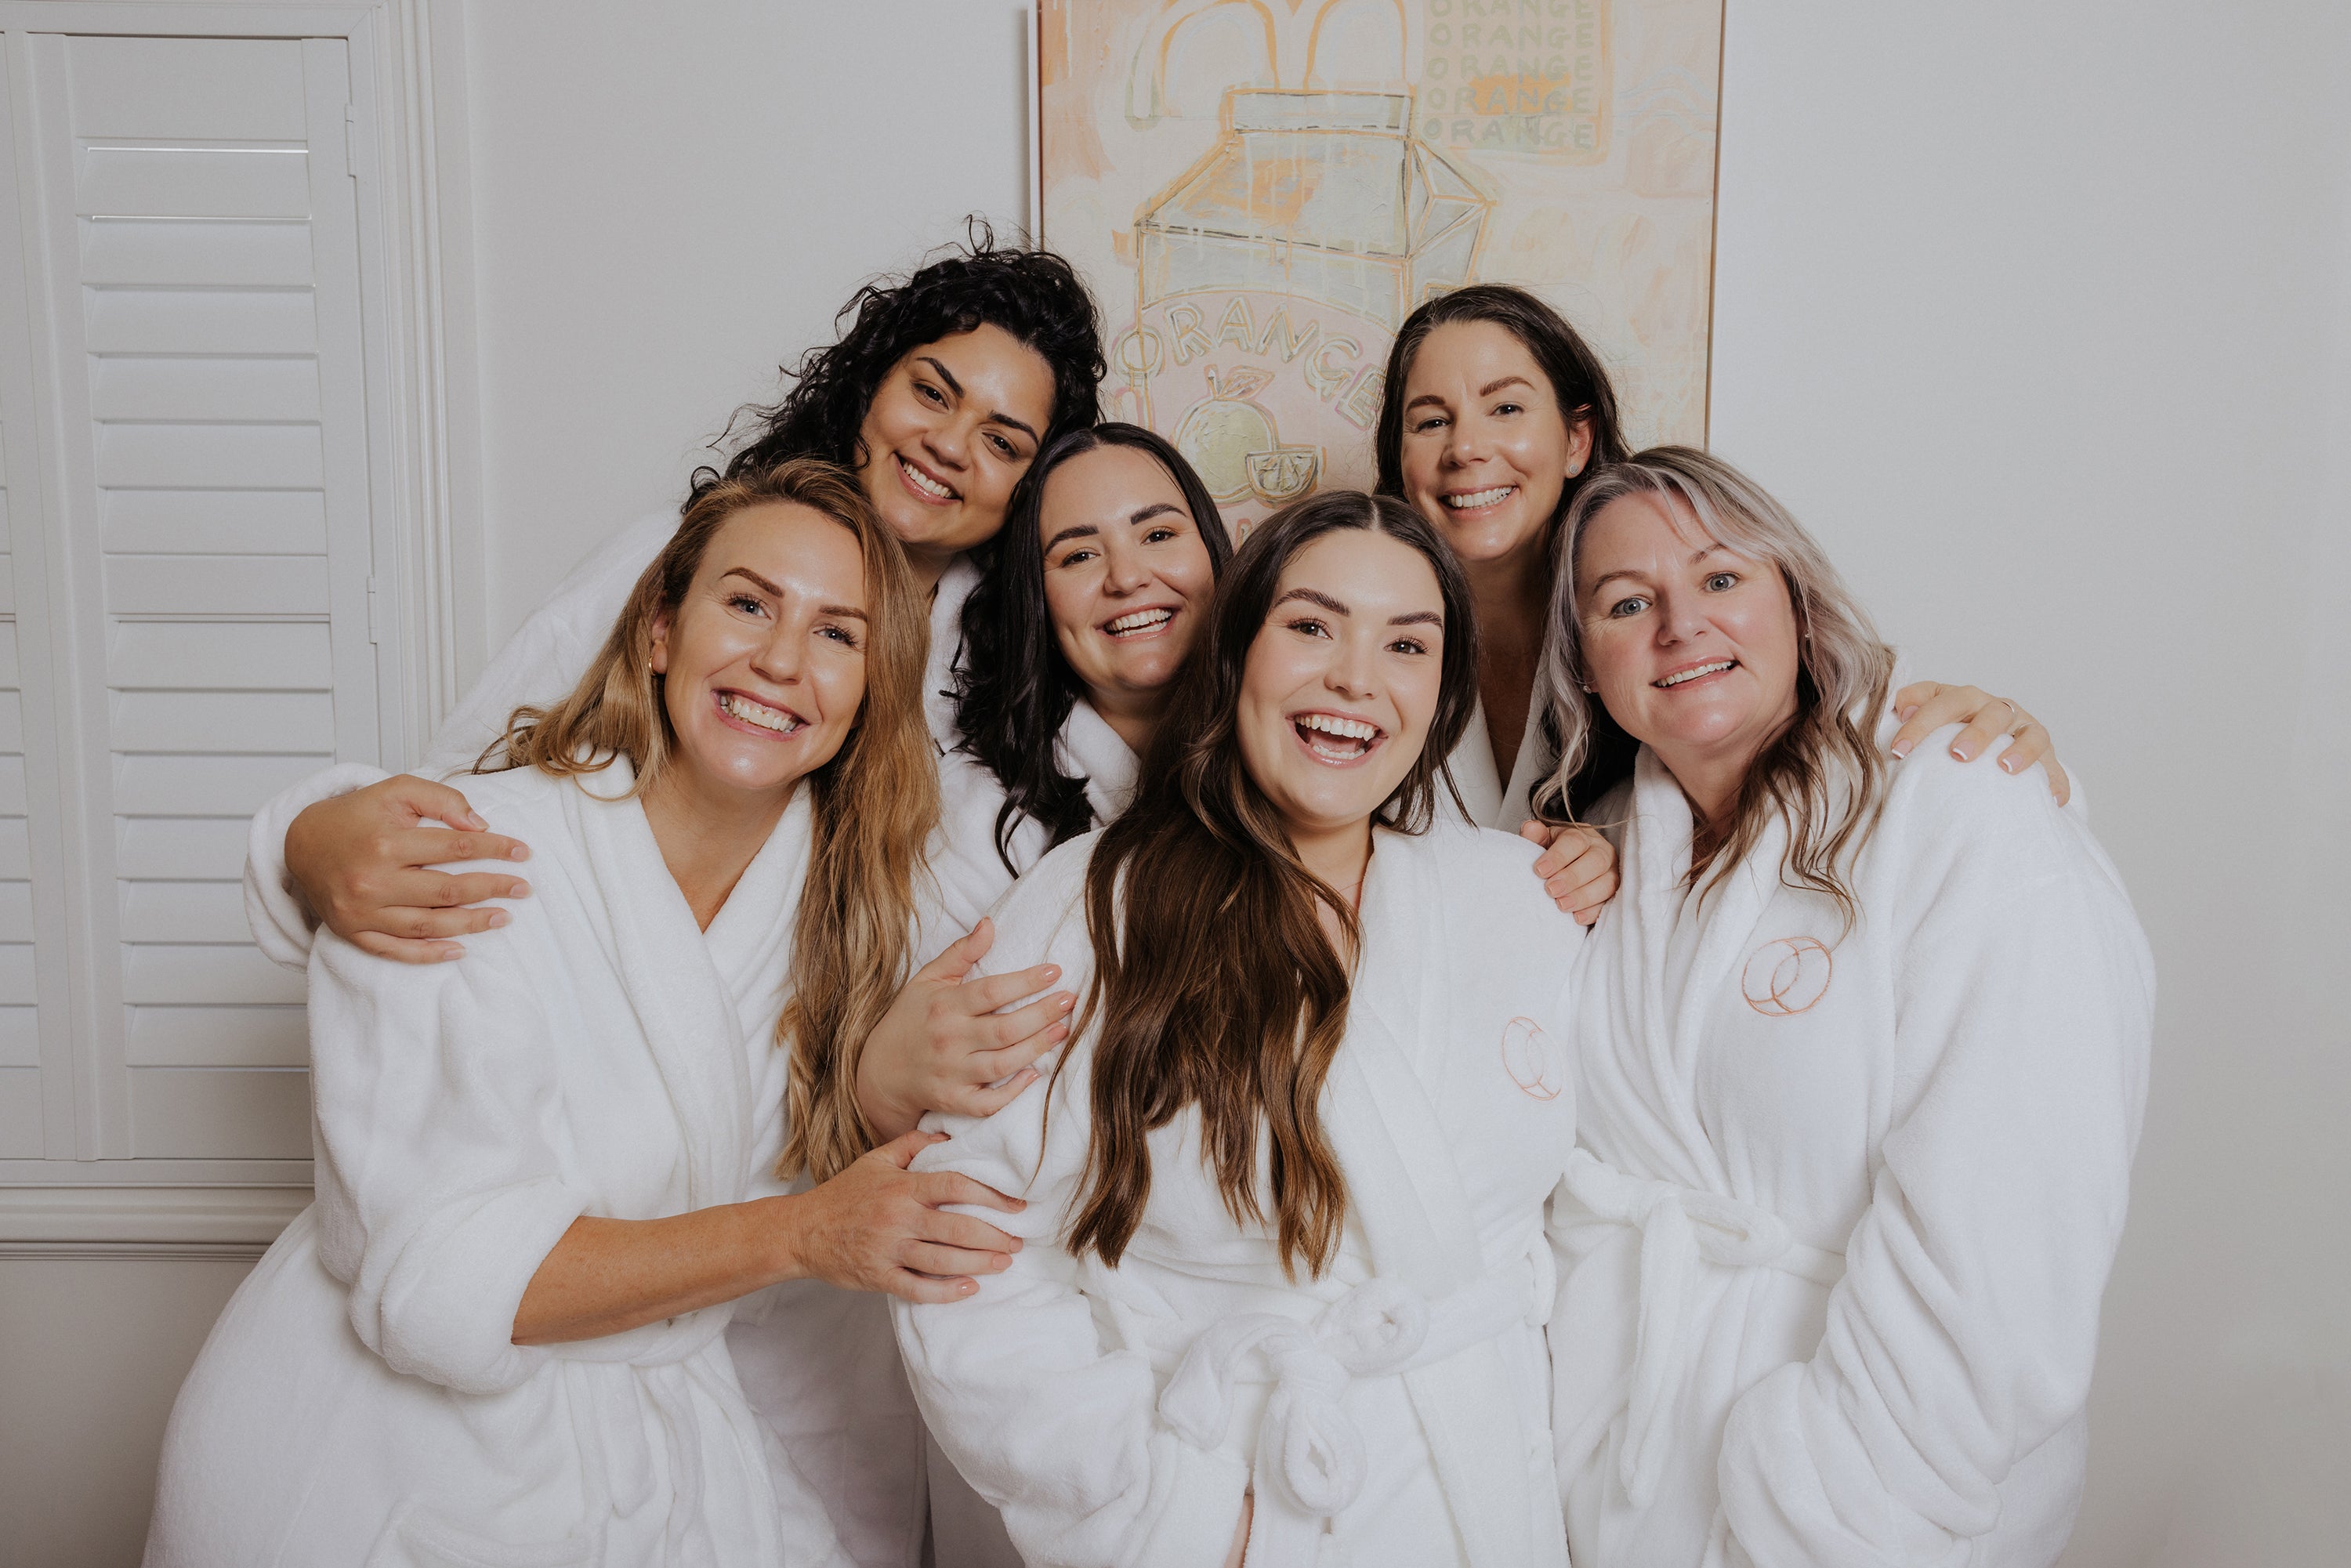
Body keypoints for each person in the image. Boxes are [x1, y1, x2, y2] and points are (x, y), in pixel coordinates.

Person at [145, 461, 1030, 1567]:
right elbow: (446, 1281)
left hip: (651, 1452)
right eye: (748, 602)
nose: (781, 659)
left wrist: (867, 1098)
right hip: (370, 1460)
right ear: (659, 630)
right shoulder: (455, 864)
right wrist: (806, 1235)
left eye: (838, 634)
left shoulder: (844, 925)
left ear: (869, 694)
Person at [894, 491, 1584, 1567]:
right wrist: (1161, 1508)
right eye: (1312, 625)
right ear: (1238, 652)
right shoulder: (1092, 906)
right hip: (1227, 1506)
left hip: (1487, 1502)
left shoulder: (1524, 898)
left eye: (1408, 644)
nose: (1357, 677)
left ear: (1442, 693)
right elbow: (963, 1245)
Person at [1535, 448, 2151, 1567]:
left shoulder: (1967, 810)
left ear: (1800, 608)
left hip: (1864, 1506)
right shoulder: (1605, 863)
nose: (1680, 624)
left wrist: (1829, 1514)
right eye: (1627, 603)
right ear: (1586, 667)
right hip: (1615, 1500)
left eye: (1721, 579)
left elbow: (2010, 1246)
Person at [250, 223, 1105, 967]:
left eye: (1001, 440)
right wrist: (307, 842)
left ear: (1032, 489)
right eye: (930, 392)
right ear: (870, 388)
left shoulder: (1005, 677)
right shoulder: (671, 560)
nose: (949, 444)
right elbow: (459, 787)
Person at [1372, 284, 2076, 918]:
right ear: (1400, 461)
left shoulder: (1678, 639)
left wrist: (1994, 740)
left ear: (1577, 439)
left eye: (1506, 407)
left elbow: (1837, 726)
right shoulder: (1363, 653)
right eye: (1430, 421)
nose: (1466, 446)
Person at [927, 421, 1233, 930]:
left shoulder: (1295, 751)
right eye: (1079, 555)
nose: (1127, 577)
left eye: (1158, 534)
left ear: (1213, 552)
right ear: (1037, 602)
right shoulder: (975, 814)